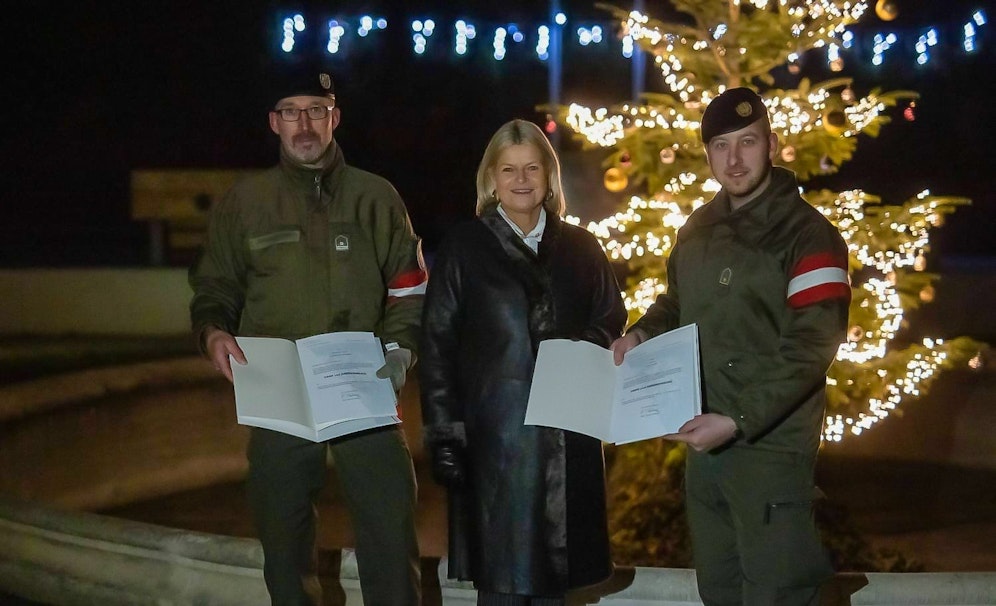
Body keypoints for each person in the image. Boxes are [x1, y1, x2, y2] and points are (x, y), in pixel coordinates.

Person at [188, 62, 426, 606]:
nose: (304, 124)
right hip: (278, 385)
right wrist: (213, 334)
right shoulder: (245, 204)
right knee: (283, 530)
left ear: (334, 117)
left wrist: (399, 352)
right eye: (291, 112)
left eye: (316, 112)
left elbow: (409, 289)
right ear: (273, 123)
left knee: (390, 518)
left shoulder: (376, 197)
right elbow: (214, 287)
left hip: (362, 378)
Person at [610, 87, 851, 606]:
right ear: (708, 154)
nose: (735, 159)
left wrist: (737, 418)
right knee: (719, 592)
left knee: (778, 593)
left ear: (771, 143)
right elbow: (676, 303)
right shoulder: (697, 228)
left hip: (770, 450)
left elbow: (812, 347)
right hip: (705, 449)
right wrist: (640, 334)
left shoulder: (810, 236)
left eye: (748, 141)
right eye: (721, 145)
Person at [418, 119, 627, 606]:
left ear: (549, 176)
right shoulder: (464, 249)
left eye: (532, 167)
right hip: (497, 447)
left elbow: (610, 318)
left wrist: (576, 352)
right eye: (509, 168)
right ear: (491, 177)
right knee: (504, 585)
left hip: (566, 441)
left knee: (557, 584)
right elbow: (437, 346)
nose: (521, 179)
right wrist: (445, 435)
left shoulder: (582, 248)